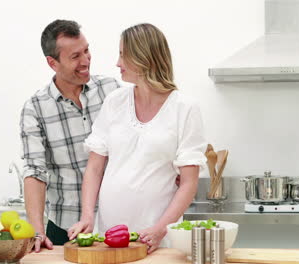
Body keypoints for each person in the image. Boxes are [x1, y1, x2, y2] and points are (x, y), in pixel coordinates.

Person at [68, 23, 207, 253]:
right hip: (109, 235)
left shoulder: (185, 108)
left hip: (157, 238)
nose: (117, 63)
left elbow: (189, 182)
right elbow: (94, 167)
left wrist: (160, 229)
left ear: (143, 58)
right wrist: (87, 217)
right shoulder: (114, 102)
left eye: (123, 54)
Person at [19, 19, 122, 252]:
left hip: (116, 223)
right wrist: (37, 230)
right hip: (65, 228)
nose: (86, 61)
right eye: (75, 56)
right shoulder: (35, 108)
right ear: (52, 62)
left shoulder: (112, 90)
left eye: (87, 51)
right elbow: (35, 171)